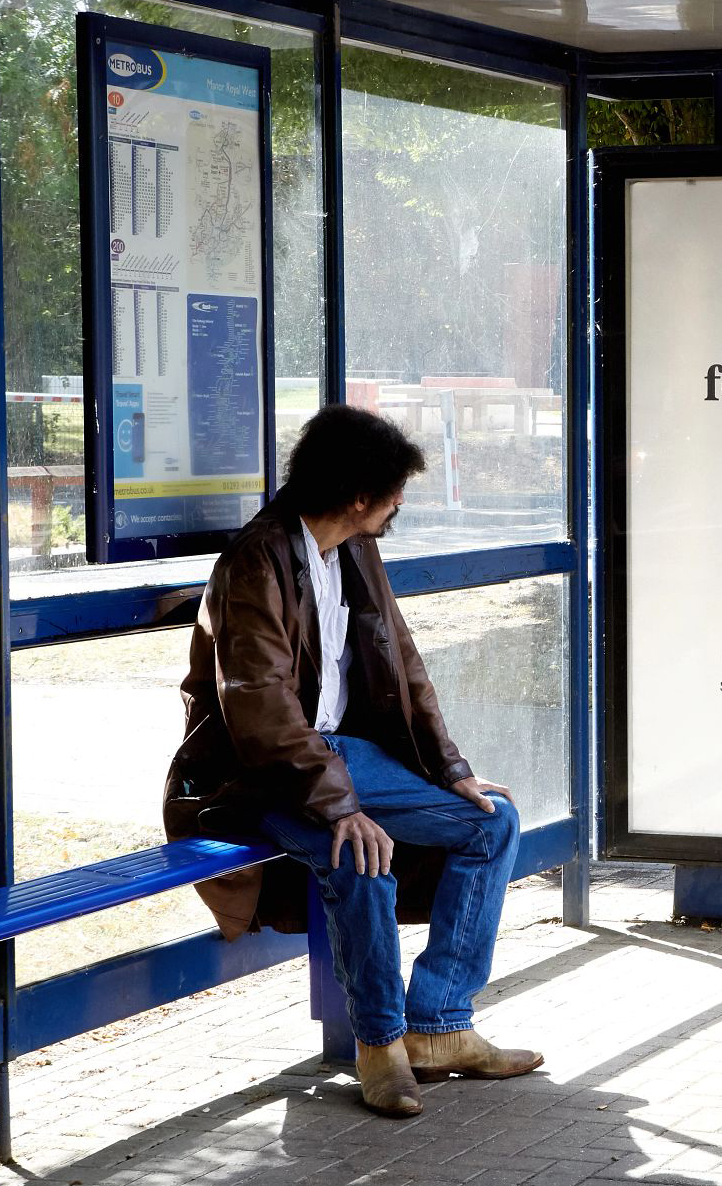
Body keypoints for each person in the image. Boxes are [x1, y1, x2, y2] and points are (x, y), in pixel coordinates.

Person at [163, 404, 542, 1119]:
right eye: (396, 490)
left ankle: (440, 1025)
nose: (401, 503)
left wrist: (450, 769)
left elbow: (404, 663)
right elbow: (260, 707)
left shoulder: (353, 549)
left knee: (492, 822)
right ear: (361, 496)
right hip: (259, 774)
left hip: (335, 757)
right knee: (359, 854)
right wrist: (341, 806)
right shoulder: (256, 562)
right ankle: (380, 1044)